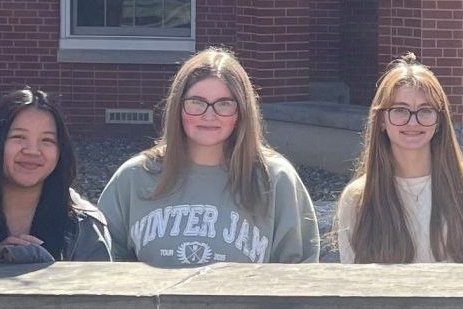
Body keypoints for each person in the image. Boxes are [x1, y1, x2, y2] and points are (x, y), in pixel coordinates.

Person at [99, 47, 315, 267]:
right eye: (196, 102)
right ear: (178, 107)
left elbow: (300, 276)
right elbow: (100, 265)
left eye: (224, 104)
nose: (209, 115)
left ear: (241, 111)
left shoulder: (275, 179)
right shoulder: (134, 177)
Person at [337, 55, 463, 264]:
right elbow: (353, 281)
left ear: (439, 121)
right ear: (382, 121)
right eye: (399, 110)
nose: (413, 122)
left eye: (425, 111)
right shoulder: (357, 198)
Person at [0, 88, 113, 262]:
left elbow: (97, 286)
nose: (33, 151)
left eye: (47, 140)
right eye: (19, 137)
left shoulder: (84, 224)